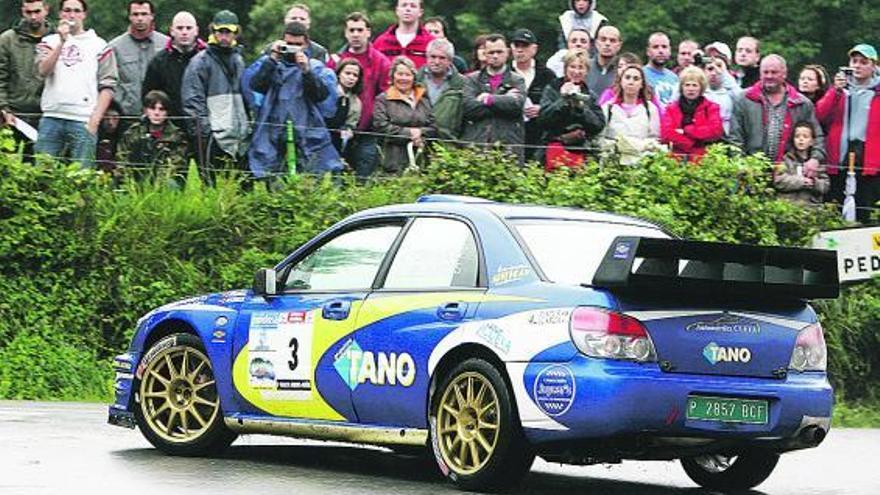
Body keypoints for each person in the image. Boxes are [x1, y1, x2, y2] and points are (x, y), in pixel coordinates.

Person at [247, 21, 340, 177]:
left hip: (306, 129)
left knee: (309, 178)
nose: (292, 48)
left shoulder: (314, 66)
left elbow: (321, 96)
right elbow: (256, 86)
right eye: (289, 44)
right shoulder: (270, 63)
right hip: (273, 129)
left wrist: (306, 71)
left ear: (306, 44)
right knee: (273, 177)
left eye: (297, 45)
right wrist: (273, 58)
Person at [34, 0, 118, 167]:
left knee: (82, 177)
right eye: (67, 10)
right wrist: (62, 42)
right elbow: (43, 71)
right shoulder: (48, 41)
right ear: (60, 14)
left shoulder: (99, 45)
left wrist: (95, 119)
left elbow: (108, 85)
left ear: (84, 14)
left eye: (76, 11)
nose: (71, 15)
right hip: (52, 117)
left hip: (82, 119)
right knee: (42, 176)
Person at [815, 44, 880, 221]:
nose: (857, 66)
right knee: (836, 205)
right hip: (840, 154)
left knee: (866, 206)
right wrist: (834, 91)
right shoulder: (840, 90)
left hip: (869, 157)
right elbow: (820, 115)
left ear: (874, 65)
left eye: (863, 62)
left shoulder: (877, 91)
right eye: (854, 61)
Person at [181, 10, 250, 174]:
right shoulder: (200, 62)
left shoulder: (239, 60)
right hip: (214, 139)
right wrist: (207, 134)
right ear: (213, 31)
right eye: (220, 32)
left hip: (240, 139)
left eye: (229, 32)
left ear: (236, 33)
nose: (224, 36)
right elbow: (193, 103)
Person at [730, 54, 825, 167]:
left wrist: (815, 158)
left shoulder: (802, 103)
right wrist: (739, 163)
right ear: (760, 74)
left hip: (789, 171)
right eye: (765, 72)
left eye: (774, 72)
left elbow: (817, 135)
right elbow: (735, 137)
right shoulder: (743, 99)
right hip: (751, 170)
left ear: (784, 73)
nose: (769, 76)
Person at [327, 12, 391, 178]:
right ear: (346, 32)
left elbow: (385, 96)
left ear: (368, 32)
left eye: (360, 30)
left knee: (363, 179)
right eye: (352, 30)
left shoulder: (381, 61)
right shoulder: (335, 60)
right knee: (335, 178)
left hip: (367, 132)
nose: (356, 35)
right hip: (336, 131)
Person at [461, 33, 526, 163]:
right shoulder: (472, 79)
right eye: (491, 52)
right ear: (484, 54)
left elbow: (516, 105)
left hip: (509, 149)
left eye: (499, 52)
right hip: (477, 146)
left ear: (507, 52)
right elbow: (469, 108)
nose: (495, 56)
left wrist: (488, 99)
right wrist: (503, 102)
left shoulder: (517, 80)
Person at [536, 49, 605, 170]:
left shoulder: (590, 95)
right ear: (565, 68)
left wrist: (581, 108)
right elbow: (542, 119)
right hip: (554, 149)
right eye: (572, 67)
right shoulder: (552, 89)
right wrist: (563, 100)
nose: (576, 72)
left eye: (581, 68)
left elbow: (598, 125)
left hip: (582, 153)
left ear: (586, 71)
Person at [0, 0, 52, 156]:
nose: (33, 17)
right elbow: (1, 76)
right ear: (23, 11)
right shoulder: (7, 40)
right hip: (15, 113)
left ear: (46, 10)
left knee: (46, 166)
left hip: (48, 114)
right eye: (29, 12)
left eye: (37, 12)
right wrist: (3, 108)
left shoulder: (57, 39)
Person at [373, 56, 436, 174]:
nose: (403, 78)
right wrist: (410, 133)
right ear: (393, 76)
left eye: (408, 75)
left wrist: (421, 133)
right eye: (400, 74)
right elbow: (381, 127)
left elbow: (433, 127)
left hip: (422, 160)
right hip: (392, 161)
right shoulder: (383, 99)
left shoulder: (423, 98)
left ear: (413, 77)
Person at [142, 11, 205, 121]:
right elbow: (148, 97)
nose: (184, 32)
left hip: (203, 124)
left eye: (188, 28)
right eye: (180, 28)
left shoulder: (207, 59)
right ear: (172, 31)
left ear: (196, 31)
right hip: (170, 127)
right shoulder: (159, 61)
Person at [108, 1, 168, 116]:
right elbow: (110, 81)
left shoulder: (166, 44)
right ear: (129, 17)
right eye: (135, 14)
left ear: (152, 16)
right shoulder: (115, 47)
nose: (140, 18)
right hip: (126, 115)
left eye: (144, 14)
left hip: (159, 115)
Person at [117, 90, 187, 181]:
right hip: (136, 179)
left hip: (165, 181)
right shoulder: (132, 132)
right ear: (145, 111)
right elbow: (122, 160)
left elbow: (175, 166)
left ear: (167, 112)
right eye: (152, 108)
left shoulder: (177, 136)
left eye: (161, 109)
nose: (157, 113)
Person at [509, 28, 556, 161]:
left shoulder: (547, 75)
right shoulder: (505, 73)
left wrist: (542, 109)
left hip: (539, 137)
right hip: (510, 134)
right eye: (516, 45)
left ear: (534, 49)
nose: (520, 50)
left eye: (524, 46)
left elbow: (556, 102)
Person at [601, 64, 662, 165]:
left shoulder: (650, 109)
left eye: (636, 78)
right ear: (621, 81)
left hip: (641, 162)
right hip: (613, 162)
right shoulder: (608, 108)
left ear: (642, 84)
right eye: (627, 77)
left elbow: (654, 138)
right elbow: (601, 137)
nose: (631, 81)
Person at [660, 66, 724, 159]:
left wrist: (688, 130)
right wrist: (691, 143)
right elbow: (667, 133)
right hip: (676, 157)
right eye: (687, 85)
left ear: (701, 88)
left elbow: (715, 131)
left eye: (694, 85)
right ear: (681, 87)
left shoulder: (711, 107)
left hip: (703, 158)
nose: (691, 89)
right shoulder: (671, 108)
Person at [417, 38, 464, 140]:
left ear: (450, 61)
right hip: (418, 141)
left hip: (448, 144)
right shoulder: (414, 80)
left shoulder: (462, 84)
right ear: (427, 57)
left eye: (442, 58)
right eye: (433, 57)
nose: (436, 62)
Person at [773, 120, 829, 205]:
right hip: (788, 206)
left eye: (805, 136)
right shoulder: (785, 159)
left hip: (811, 209)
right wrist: (801, 181)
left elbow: (825, 185)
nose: (801, 139)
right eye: (797, 136)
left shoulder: (816, 163)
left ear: (812, 142)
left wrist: (814, 183)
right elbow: (778, 181)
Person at [372, 0, 434, 69]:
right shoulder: (381, 42)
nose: (408, 9)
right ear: (397, 10)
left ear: (420, 12)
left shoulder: (431, 42)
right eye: (404, 5)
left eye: (413, 6)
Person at [325, 59, 362, 158]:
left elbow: (351, 124)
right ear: (339, 74)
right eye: (347, 73)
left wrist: (349, 131)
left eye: (355, 75)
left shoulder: (356, 101)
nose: (351, 78)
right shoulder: (327, 92)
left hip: (339, 144)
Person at [643, 32, 678, 108]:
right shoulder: (641, 75)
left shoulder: (675, 78)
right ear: (648, 51)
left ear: (670, 51)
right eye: (655, 47)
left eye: (664, 47)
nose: (660, 51)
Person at [703, 55, 735, 135]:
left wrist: (723, 71)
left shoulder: (731, 92)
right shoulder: (698, 92)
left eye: (718, 68)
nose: (714, 73)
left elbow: (741, 95)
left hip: (727, 137)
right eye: (710, 69)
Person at [587, 25, 622, 97]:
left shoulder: (624, 71)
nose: (607, 44)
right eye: (603, 39)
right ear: (596, 43)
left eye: (612, 40)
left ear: (619, 45)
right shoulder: (585, 67)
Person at [95, 99, 122, 172]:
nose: (110, 122)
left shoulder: (125, 137)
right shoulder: (93, 136)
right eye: (106, 118)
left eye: (115, 118)